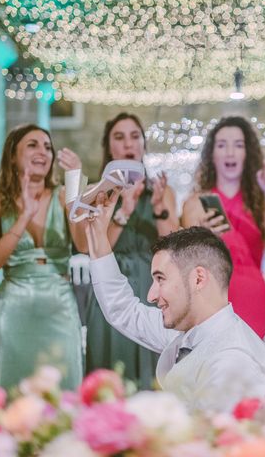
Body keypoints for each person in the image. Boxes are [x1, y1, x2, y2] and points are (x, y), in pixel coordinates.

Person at [85, 199, 265, 412]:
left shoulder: (231, 362)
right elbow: (124, 310)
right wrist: (98, 235)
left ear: (198, 279)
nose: (151, 295)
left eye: (160, 279)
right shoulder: (192, 333)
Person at [0, 124, 86, 390]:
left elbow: (84, 244)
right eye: (33, 145)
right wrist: (24, 216)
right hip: (13, 309)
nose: (43, 151)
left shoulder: (63, 196)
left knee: (65, 390)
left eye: (48, 147)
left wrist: (75, 183)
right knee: (15, 395)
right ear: (12, 155)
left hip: (59, 306)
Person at [85, 113, 179, 389]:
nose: (129, 143)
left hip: (155, 287)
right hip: (112, 284)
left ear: (143, 145)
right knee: (111, 373)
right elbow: (88, 247)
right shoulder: (97, 193)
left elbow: (176, 249)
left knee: (154, 371)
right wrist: (123, 210)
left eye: (135, 136)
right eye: (119, 137)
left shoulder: (163, 192)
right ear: (109, 147)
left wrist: (160, 207)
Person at [181, 116, 265, 338]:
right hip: (213, 298)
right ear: (212, 154)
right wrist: (202, 236)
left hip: (254, 296)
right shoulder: (196, 202)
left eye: (238, 145)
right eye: (222, 145)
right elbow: (185, 260)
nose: (230, 152)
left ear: (247, 154)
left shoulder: (259, 201)